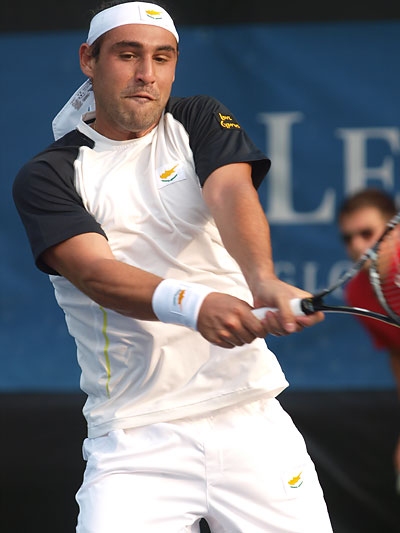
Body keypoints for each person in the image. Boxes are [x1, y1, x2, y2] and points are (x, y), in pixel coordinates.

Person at [13, 2, 333, 531]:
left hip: (251, 418)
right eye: (128, 55)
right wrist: (195, 305)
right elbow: (95, 274)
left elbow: (231, 193)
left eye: (162, 58)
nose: (147, 74)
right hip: (134, 439)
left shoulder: (198, 118)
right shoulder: (49, 175)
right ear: (88, 60)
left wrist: (262, 280)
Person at [338, 188, 400, 491]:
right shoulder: (357, 294)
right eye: (348, 238)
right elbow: (398, 355)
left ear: (395, 230)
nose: (357, 245)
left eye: (367, 233)